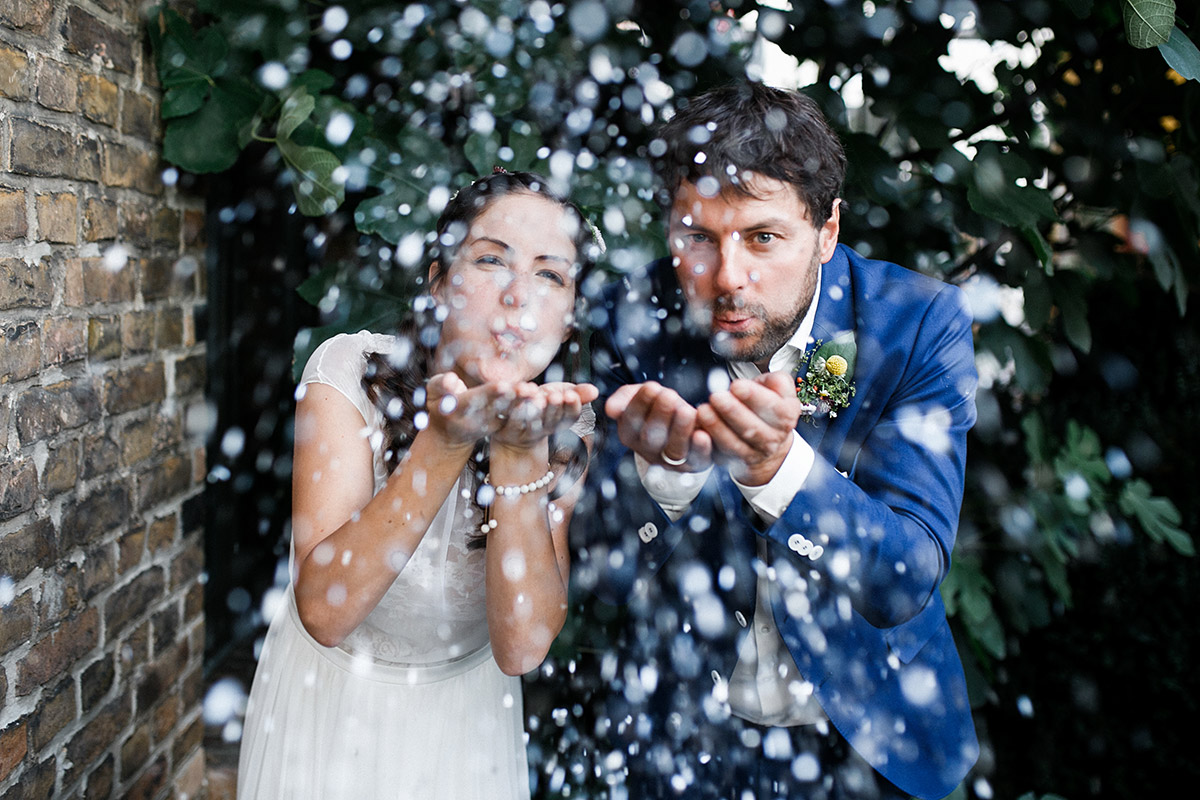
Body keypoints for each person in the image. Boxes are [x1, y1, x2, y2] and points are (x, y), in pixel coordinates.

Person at [571, 82, 979, 799]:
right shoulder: (629, 318)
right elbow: (597, 572)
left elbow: (906, 576)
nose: (729, 278)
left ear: (826, 232)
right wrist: (663, 481)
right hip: (682, 740)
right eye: (698, 238)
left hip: (871, 744)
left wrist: (777, 471)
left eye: (763, 237)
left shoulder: (917, 324)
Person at [237, 170, 602, 800]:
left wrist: (517, 453)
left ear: (568, 321)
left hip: (469, 721)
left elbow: (522, 647)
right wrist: (447, 441)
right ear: (438, 283)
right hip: (329, 708)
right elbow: (325, 611)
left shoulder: (563, 424)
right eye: (492, 260)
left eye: (550, 275)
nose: (519, 295)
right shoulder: (350, 374)